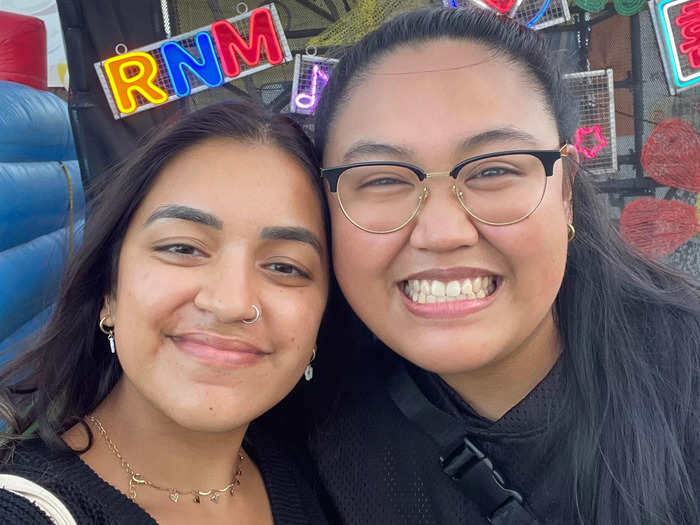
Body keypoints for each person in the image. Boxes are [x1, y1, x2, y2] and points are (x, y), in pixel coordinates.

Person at [309, 7, 700, 525]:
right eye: (382, 179)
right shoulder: (296, 442)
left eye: (494, 169)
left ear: (564, 193)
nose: (443, 233)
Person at [0, 100, 330, 525]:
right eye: (183, 248)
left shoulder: (328, 477)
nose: (230, 303)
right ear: (109, 289)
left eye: (285, 267)